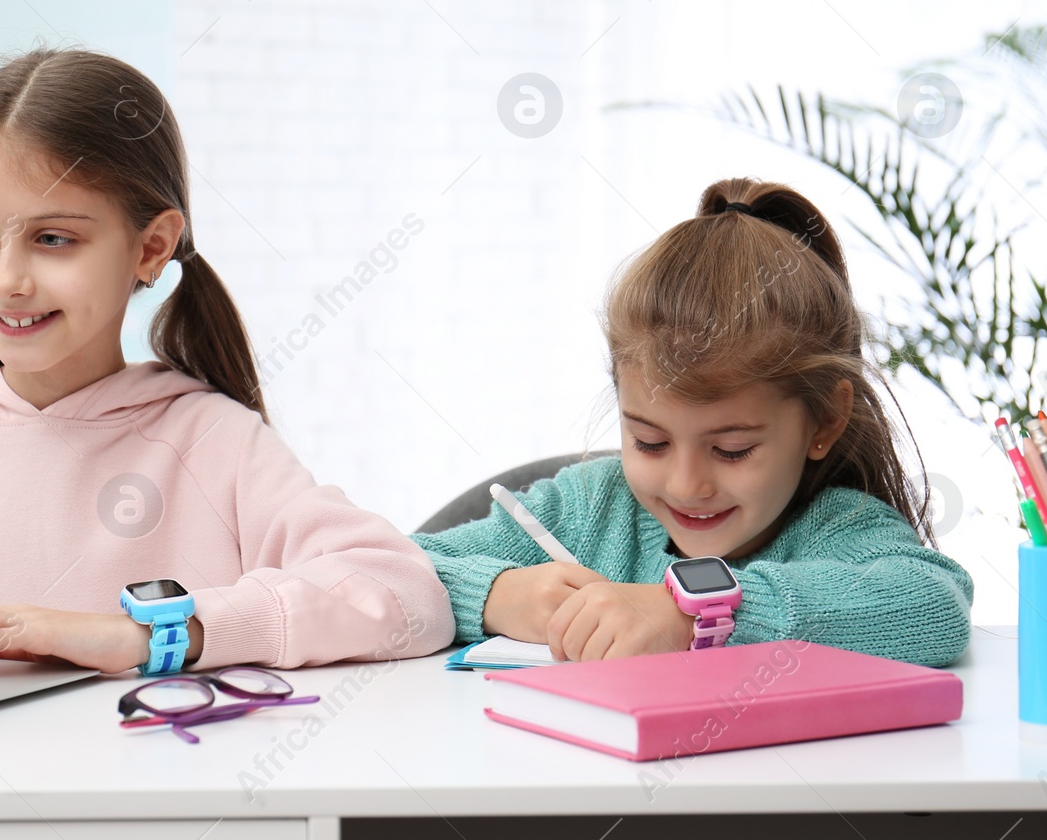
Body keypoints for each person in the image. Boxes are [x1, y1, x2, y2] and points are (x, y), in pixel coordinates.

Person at [0, 47, 453, 677]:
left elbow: (410, 598)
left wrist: (147, 635)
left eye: (53, 240)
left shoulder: (212, 443)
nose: (6, 281)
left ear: (151, 247)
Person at [412, 178, 973, 667]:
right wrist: (499, 594)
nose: (686, 485)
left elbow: (933, 603)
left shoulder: (837, 528)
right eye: (649, 442)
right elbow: (389, 566)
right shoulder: (588, 512)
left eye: (731, 450)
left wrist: (695, 613)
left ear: (824, 419)